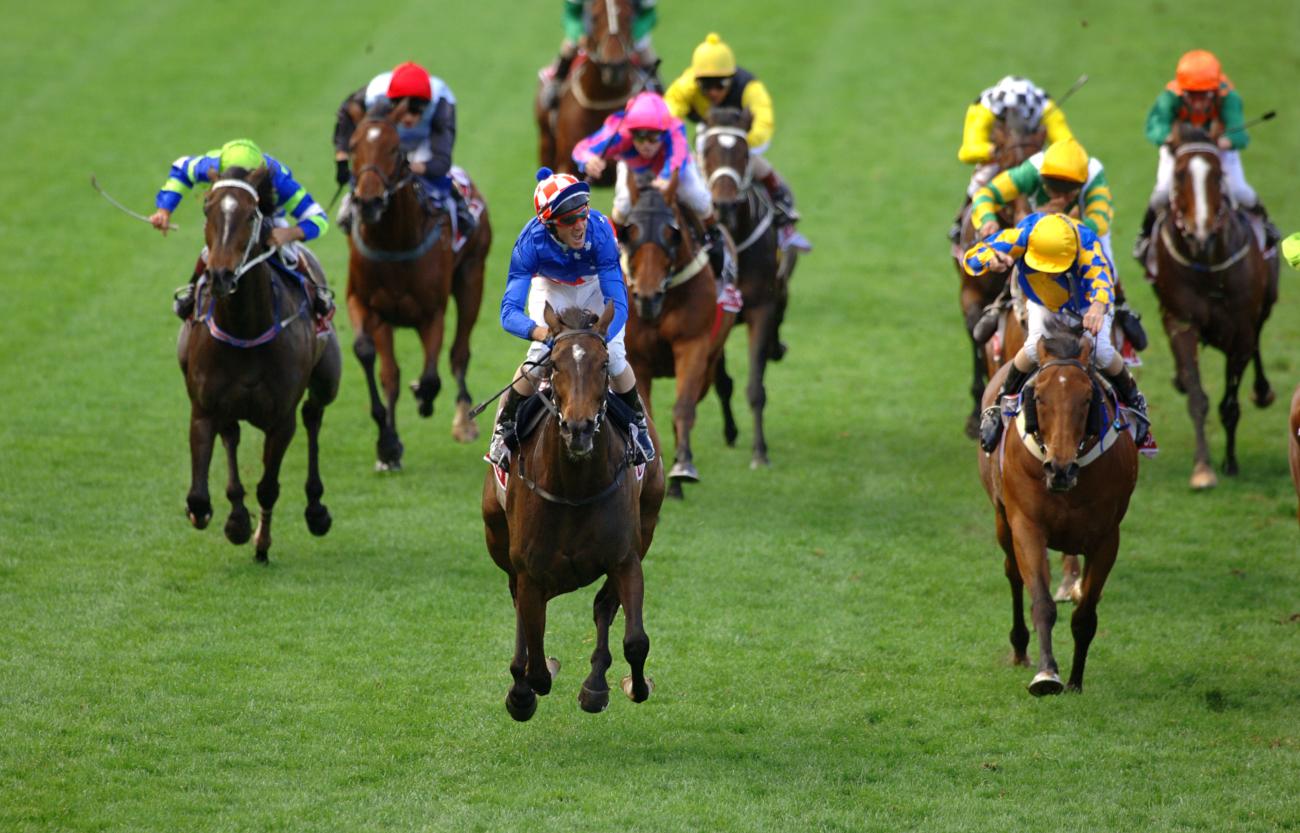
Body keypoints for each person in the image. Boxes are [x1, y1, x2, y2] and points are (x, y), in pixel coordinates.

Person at [487, 167, 655, 469]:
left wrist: (601, 337)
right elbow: (508, 313)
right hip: (551, 287)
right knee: (540, 356)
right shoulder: (529, 244)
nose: (579, 225)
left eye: (583, 214)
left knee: (614, 356)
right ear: (549, 224)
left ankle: (638, 427)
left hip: (594, 286)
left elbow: (617, 300)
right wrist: (539, 332)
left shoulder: (601, 230)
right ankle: (503, 429)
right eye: (569, 221)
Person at [963, 212, 1152, 453]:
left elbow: (1102, 279)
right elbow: (974, 255)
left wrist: (1096, 307)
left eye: (1056, 269)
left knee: (1102, 351)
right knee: (1033, 348)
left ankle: (1136, 401)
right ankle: (999, 405)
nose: (1050, 273)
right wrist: (990, 259)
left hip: (1087, 305)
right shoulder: (1023, 235)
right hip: (1043, 302)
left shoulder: (1086, 244)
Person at [969, 137, 1147, 350]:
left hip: (1085, 234)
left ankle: (1118, 303)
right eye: (1053, 189)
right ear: (1043, 178)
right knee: (1027, 252)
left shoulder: (1094, 176)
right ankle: (1003, 300)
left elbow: (1099, 221)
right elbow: (986, 194)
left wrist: (1064, 223)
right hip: (1040, 231)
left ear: (1081, 184)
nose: (1060, 196)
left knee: (1106, 262)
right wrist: (987, 220)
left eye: (1068, 192)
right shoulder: (1030, 171)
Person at [148, 139, 331, 321]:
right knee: (212, 250)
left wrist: (290, 233)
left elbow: (319, 219)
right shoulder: (209, 165)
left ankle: (317, 294)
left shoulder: (279, 179)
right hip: (226, 217)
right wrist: (164, 210)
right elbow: (181, 169)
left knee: (291, 253)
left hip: (268, 219)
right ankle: (191, 290)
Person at [663, 32, 811, 253]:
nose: (712, 92)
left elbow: (764, 122)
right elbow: (669, 114)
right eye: (705, 85)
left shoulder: (750, 88)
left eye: (720, 84)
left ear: (731, 79)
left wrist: (744, 144)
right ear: (696, 81)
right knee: (682, 175)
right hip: (707, 139)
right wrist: (677, 146)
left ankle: (784, 220)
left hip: (740, 144)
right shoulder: (686, 85)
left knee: (761, 167)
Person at [573, 91, 734, 284]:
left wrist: (665, 177)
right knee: (623, 204)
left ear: (663, 133)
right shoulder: (618, 133)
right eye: (639, 137)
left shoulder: (674, 131)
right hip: (633, 167)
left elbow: (677, 157)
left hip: (673, 166)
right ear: (630, 132)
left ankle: (713, 234)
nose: (646, 145)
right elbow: (582, 148)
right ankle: (614, 245)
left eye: (653, 137)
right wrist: (587, 161)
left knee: (697, 197)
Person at [1133, 49, 1277, 260]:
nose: (1198, 103)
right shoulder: (1169, 97)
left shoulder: (1229, 98)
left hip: (1216, 152)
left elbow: (1240, 136)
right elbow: (1154, 127)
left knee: (1239, 190)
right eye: (1192, 96)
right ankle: (1144, 236)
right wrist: (1167, 138)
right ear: (1183, 92)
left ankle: (1266, 225)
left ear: (1214, 90)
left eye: (1204, 96)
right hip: (1180, 152)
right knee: (1162, 192)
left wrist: (1224, 141)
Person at [332, 60, 475, 239]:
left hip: (423, 141)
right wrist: (342, 159)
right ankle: (352, 200)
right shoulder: (372, 97)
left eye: (416, 109)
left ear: (428, 104)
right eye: (402, 107)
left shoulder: (441, 105)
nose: (408, 118)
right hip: (385, 139)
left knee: (434, 177)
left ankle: (459, 208)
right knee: (370, 163)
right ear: (390, 101)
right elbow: (346, 116)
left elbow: (441, 162)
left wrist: (410, 167)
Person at [950, 75, 1075, 243]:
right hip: (1000, 154)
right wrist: (991, 150)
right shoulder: (982, 109)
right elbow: (967, 151)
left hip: (1034, 153)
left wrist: (1055, 156)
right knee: (981, 179)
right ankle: (961, 221)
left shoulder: (1046, 108)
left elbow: (1066, 142)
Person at [539, 0, 661, 110]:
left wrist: (635, 34)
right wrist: (578, 34)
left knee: (646, 54)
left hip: (628, 31)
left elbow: (648, 15)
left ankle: (658, 92)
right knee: (569, 46)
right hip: (591, 31)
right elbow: (571, 15)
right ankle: (557, 81)